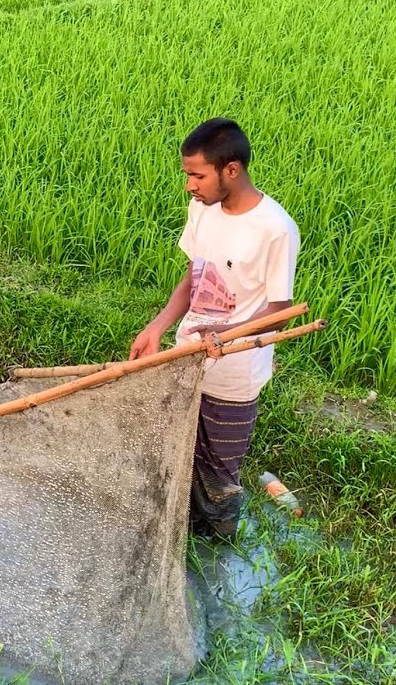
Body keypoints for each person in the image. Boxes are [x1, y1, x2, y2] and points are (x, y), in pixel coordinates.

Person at [128, 118, 300, 538]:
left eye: (197, 175)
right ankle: (177, 533)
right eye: (188, 174)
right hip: (186, 356)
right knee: (179, 455)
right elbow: (194, 278)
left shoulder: (275, 230)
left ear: (231, 170)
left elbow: (280, 311)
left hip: (234, 375)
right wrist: (157, 326)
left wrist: (229, 336)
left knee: (218, 475)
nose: (190, 185)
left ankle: (216, 548)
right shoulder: (202, 209)